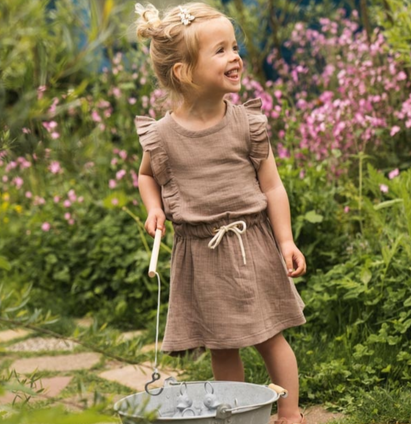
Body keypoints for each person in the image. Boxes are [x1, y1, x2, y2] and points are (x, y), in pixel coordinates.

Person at [135, 3, 307, 423]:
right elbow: (146, 177)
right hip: (200, 252)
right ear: (183, 72)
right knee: (222, 343)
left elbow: (272, 185)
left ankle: (289, 413)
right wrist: (154, 208)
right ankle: (235, 413)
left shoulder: (247, 124)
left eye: (234, 46)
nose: (235, 57)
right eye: (220, 50)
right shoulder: (161, 135)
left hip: (252, 243)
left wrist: (285, 239)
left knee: (270, 336)